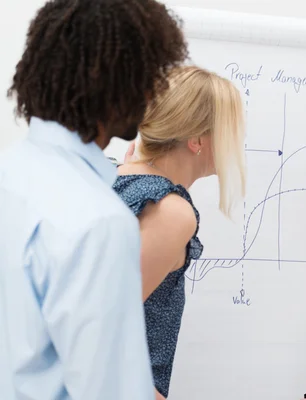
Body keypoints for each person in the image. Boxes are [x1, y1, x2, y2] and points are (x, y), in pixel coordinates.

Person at [0, 1, 188, 399]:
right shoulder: (100, 221)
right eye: (147, 75)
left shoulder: (11, 174)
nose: (153, 91)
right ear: (113, 80)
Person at [113, 65, 247, 399]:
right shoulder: (170, 211)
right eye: (230, 129)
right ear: (197, 140)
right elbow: (100, 328)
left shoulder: (115, 174)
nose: (237, 141)